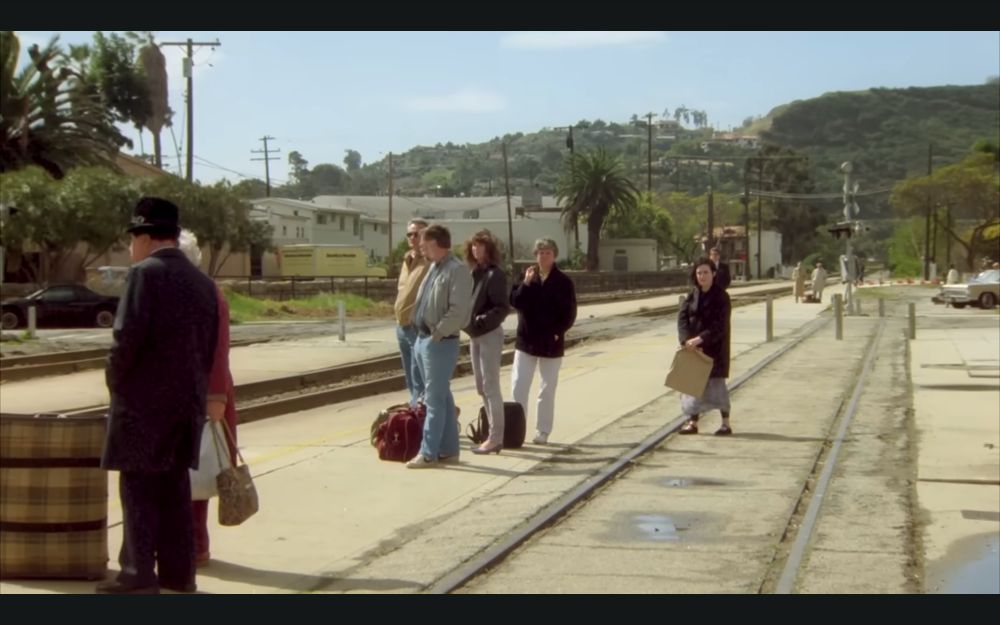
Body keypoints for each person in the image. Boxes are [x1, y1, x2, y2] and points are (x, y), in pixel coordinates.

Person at [98, 198, 219, 594]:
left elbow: (125, 340)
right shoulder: (203, 284)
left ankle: (136, 573)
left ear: (146, 238)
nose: (131, 247)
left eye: (133, 238)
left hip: (141, 404)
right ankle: (179, 574)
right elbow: (209, 348)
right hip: (185, 404)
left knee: (136, 489)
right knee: (174, 490)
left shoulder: (144, 275)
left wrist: (115, 382)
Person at [178, 229, 237, 568]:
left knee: (198, 471)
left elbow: (218, 349)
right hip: (198, 392)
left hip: (205, 394)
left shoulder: (206, 293)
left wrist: (214, 397)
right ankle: (192, 544)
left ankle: (196, 544)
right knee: (194, 471)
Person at [406, 225, 473, 468]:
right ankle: (450, 450)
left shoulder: (458, 271)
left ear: (436, 243)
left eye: (424, 243)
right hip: (423, 339)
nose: (421, 247)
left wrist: (438, 333)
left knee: (433, 400)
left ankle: (428, 452)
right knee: (442, 397)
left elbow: (459, 311)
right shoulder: (433, 267)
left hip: (440, 342)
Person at [510, 238, 577, 445]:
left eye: (547, 252)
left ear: (554, 255)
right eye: (540, 252)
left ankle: (543, 430)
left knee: (546, 388)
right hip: (526, 341)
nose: (543, 256)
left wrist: (557, 332)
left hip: (551, 343)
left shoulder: (564, 282)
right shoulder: (527, 277)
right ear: (535, 256)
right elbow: (515, 301)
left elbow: (570, 313)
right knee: (519, 386)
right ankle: (516, 428)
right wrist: (526, 283)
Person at [462, 230, 510, 455]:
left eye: (480, 246)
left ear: (488, 249)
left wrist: (481, 320)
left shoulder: (495, 275)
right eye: (473, 246)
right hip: (475, 334)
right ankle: (491, 434)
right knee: (481, 386)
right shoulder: (474, 274)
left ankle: (495, 437)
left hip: (489, 333)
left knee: (491, 387)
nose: (475, 249)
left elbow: (502, 307)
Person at [678, 257, 733, 436]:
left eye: (706, 272)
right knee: (691, 386)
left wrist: (701, 339)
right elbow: (682, 318)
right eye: (699, 273)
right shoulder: (692, 294)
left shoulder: (722, 297)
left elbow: (720, 325)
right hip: (693, 348)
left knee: (716, 386)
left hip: (714, 348)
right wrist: (686, 340)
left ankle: (725, 423)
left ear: (713, 274)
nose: (702, 276)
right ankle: (692, 422)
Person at [394, 219, 430, 406]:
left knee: (419, 375)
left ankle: (421, 412)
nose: (413, 238)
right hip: (401, 325)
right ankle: (416, 410)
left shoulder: (430, 262)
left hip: (416, 326)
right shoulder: (407, 259)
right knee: (409, 374)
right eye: (410, 234)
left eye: (417, 233)